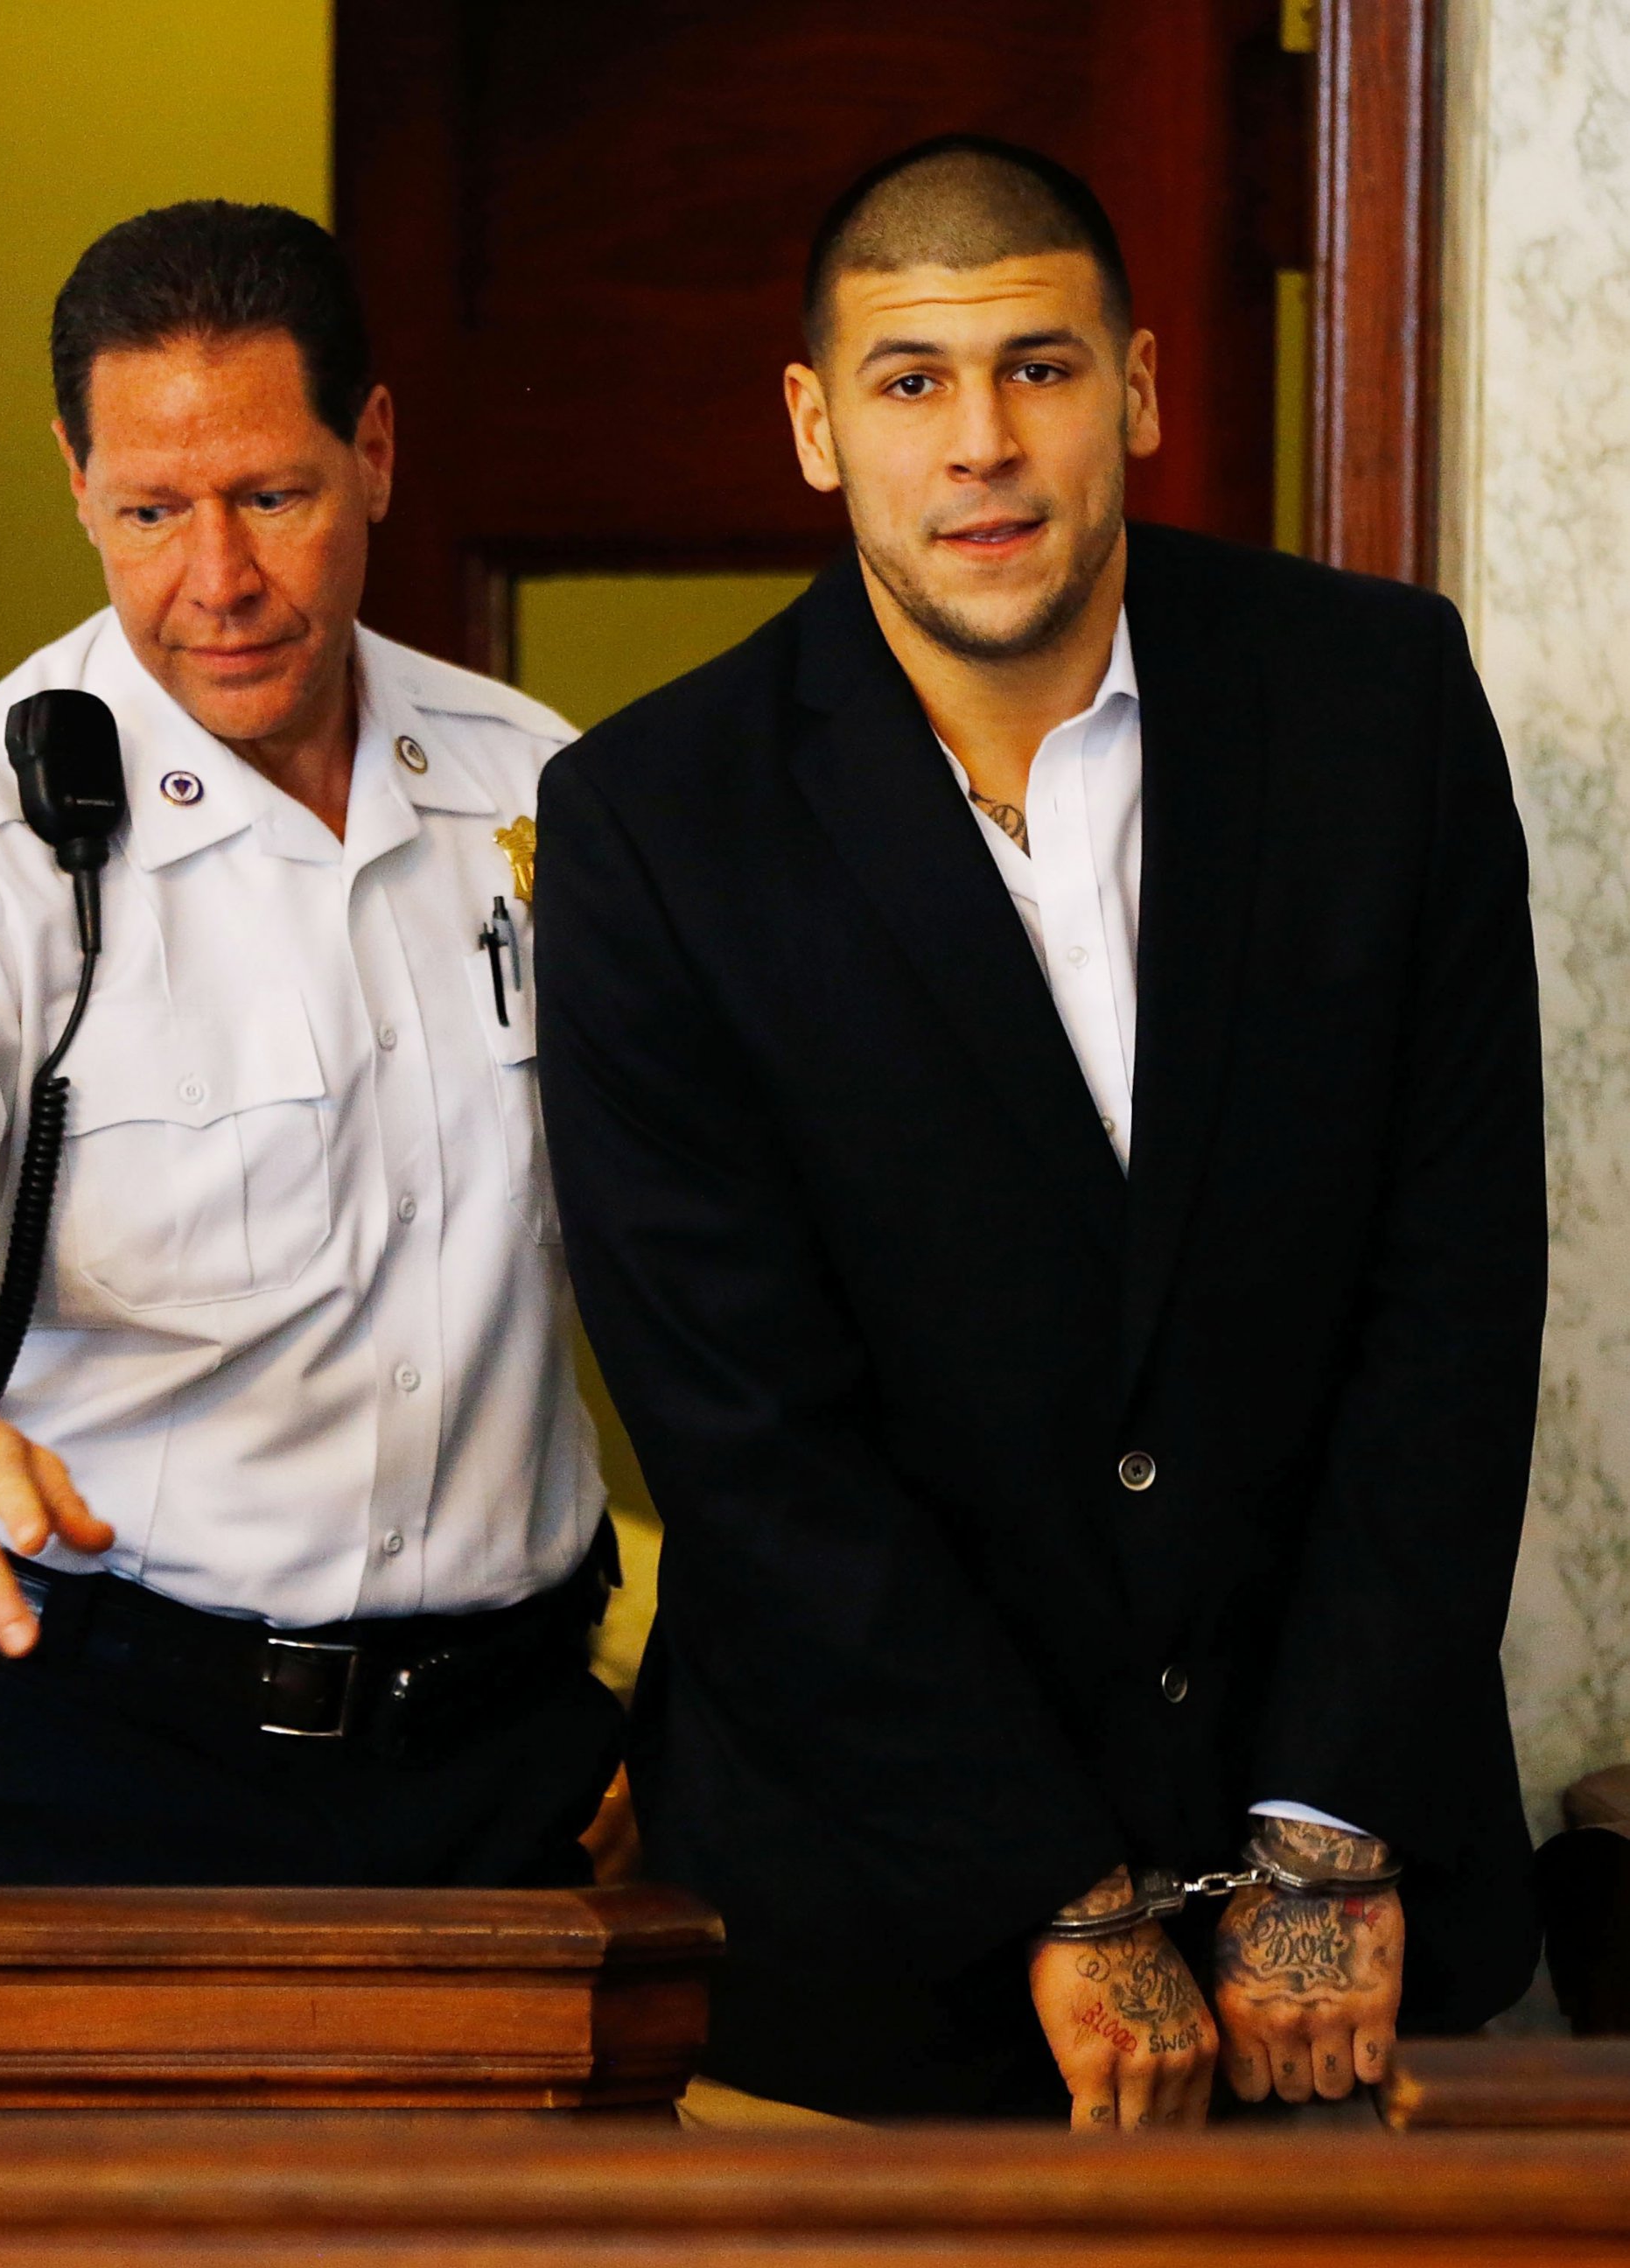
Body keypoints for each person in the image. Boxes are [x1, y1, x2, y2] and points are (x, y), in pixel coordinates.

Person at [535, 136, 1544, 2127]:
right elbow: (748, 1440)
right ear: (816, 426)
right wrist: (1060, 1892)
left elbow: (1454, 1289)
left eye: (1041, 368)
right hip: (874, 1953)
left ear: (1143, 389)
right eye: (911, 381)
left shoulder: (1379, 705)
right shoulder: (655, 824)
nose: (980, 441)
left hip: (1348, 1936)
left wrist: (1323, 1840)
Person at [0, 200, 621, 1887]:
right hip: (95, 1752)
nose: (219, 581)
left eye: (273, 496)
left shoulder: (543, 787)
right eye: (149, 510)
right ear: (75, 479)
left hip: (501, 1755)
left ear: (376, 451)